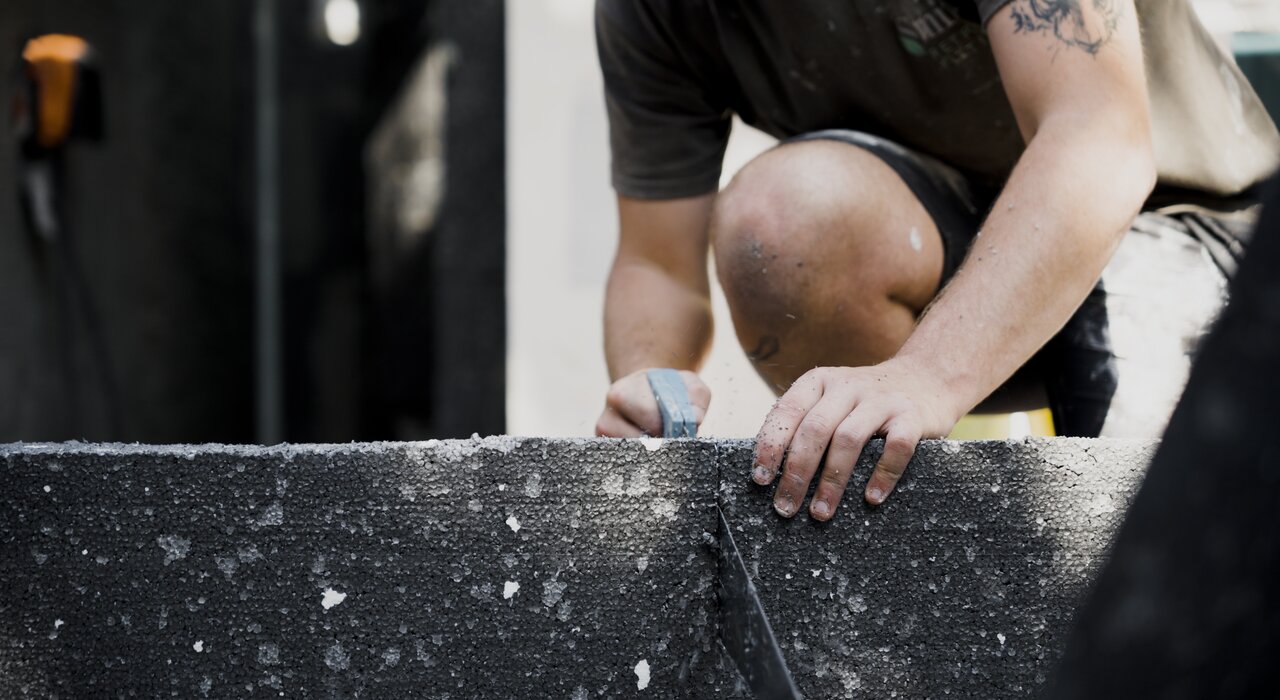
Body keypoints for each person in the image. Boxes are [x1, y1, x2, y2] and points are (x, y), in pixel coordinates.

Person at [591, 0, 1280, 521]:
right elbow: (656, 264)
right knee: (778, 221)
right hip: (955, 264)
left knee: (1124, 543)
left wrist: (926, 376)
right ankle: (913, 529)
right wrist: (648, 384)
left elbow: (1100, 140)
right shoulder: (649, 13)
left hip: (1185, 232)